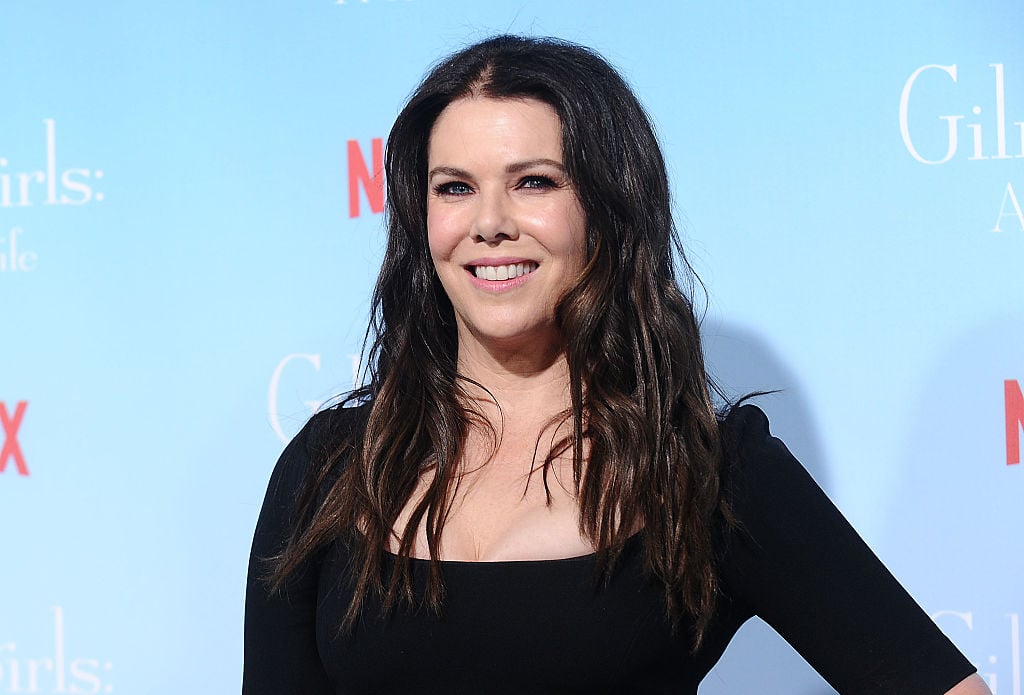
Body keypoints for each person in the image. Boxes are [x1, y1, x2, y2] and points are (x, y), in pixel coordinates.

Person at [243, 35, 989, 694]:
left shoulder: (708, 473)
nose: (490, 222)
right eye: (455, 188)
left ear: (606, 209)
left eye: (534, 181)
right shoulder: (332, 468)